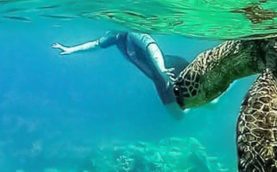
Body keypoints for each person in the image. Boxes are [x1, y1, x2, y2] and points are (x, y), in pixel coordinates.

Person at [53, 31, 188, 117]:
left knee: (181, 111)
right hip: (159, 77)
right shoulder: (115, 37)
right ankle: (199, 103)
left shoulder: (133, 32)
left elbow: (151, 46)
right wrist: (70, 50)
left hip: (171, 68)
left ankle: (201, 101)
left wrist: (162, 69)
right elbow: (94, 45)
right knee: (177, 116)